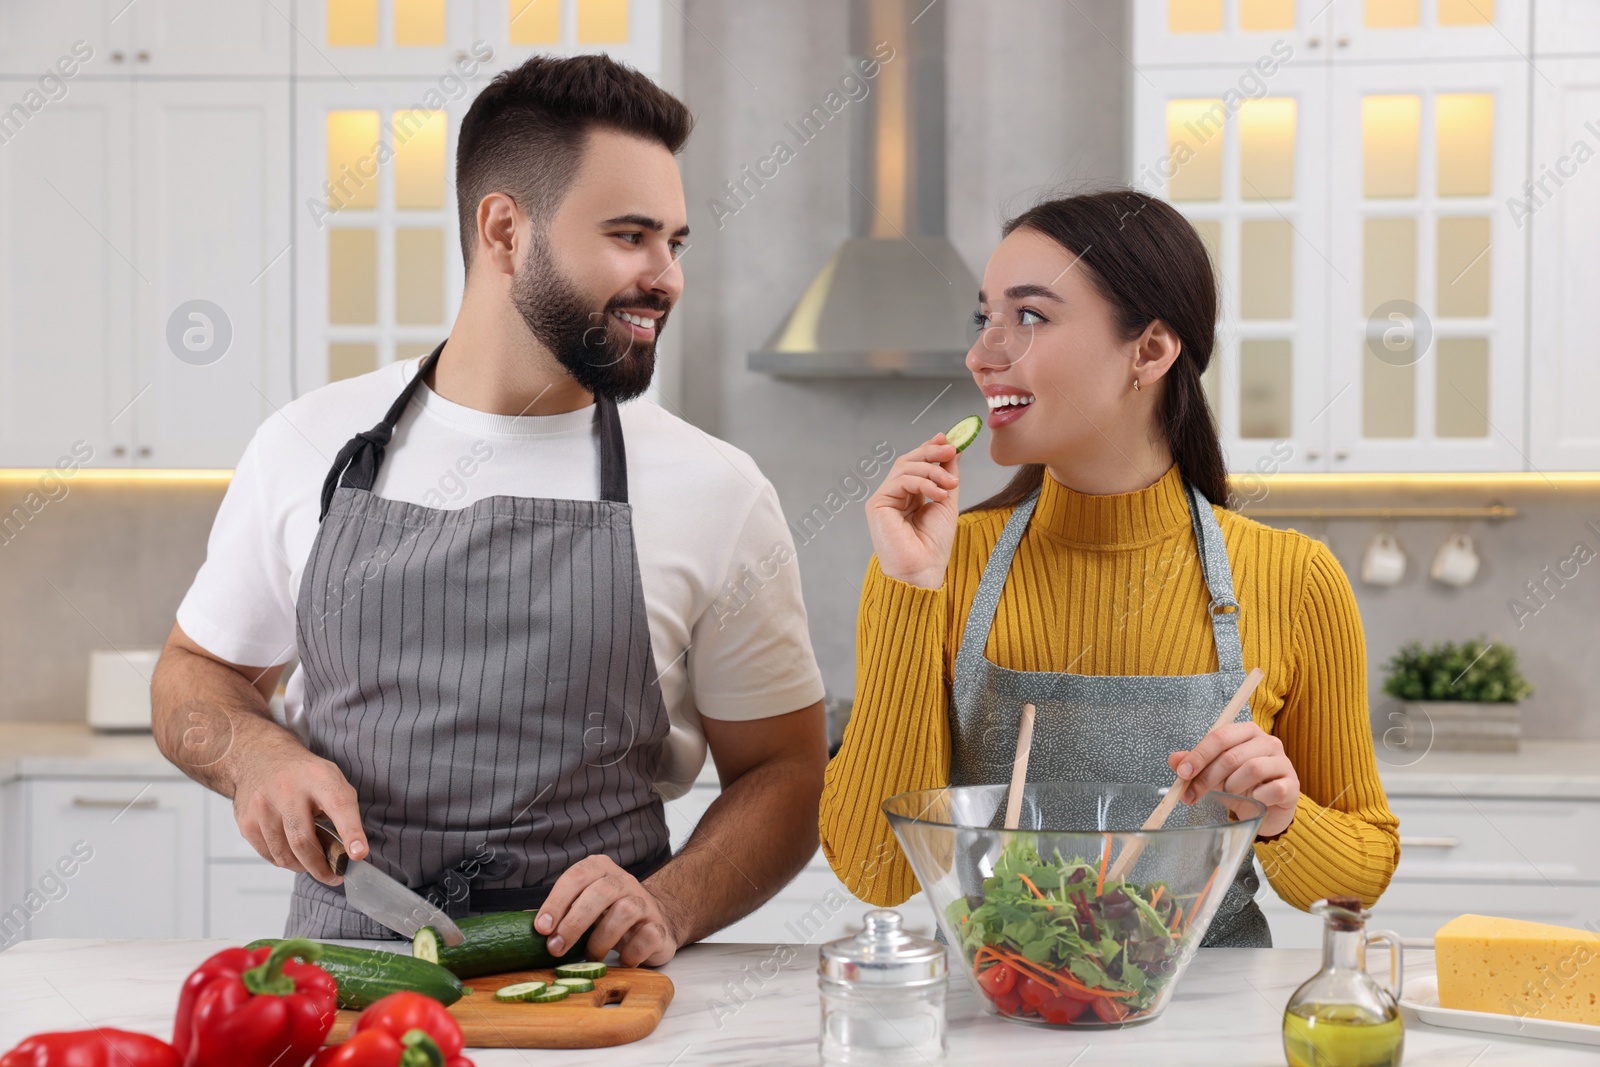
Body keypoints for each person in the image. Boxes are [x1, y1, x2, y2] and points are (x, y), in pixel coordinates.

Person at [152, 54, 827, 966]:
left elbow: (786, 773)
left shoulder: (718, 489)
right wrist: (255, 757)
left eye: (675, 242)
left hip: (599, 996)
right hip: (346, 990)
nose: (665, 277)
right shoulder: (307, 444)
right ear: (506, 230)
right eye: (630, 236)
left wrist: (668, 903)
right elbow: (192, 674)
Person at [820, 190, 1399, 946]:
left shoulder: (1294, 578)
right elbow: (875, 869)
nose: (982, 352)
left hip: (1211, 1033)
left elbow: (1361, 873)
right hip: (1003, 1022)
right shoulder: (936, 566)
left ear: (1151, 351)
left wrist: (1284, 816)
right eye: (984, 316)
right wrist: (907, 593)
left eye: (1029, 316)